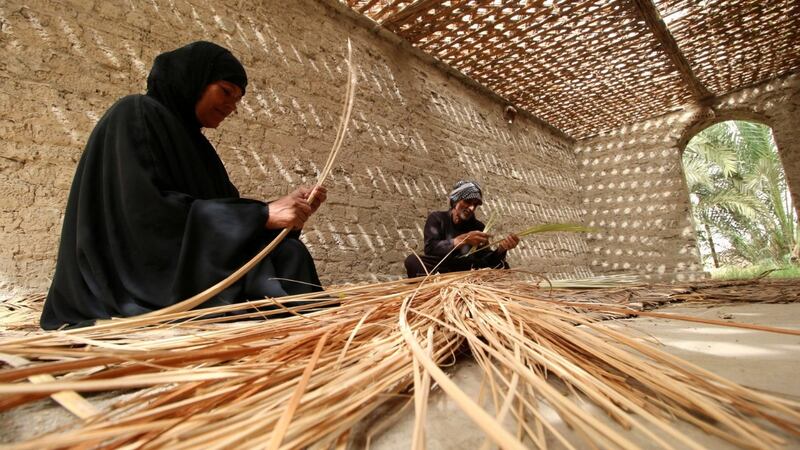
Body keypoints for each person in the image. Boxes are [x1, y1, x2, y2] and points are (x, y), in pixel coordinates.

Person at [41, 41, 326, 329]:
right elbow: (144, 214)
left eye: (238, 100)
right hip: (136, 276)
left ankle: (307, 345)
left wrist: (288, 215)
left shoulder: (199, 147)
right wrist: (262, 215)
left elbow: (227, 221)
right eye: (226, 92)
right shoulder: (136, 113)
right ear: (193, 79)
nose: (232, 106)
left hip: (192, 267)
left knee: (288, 257)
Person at [404, 180, 519, 277]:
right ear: (455, 200)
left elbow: (486, 260)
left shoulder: (478, 227)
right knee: (413, 261)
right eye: (468, 201)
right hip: (444, 269)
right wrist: (461, 240)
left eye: (475, 205)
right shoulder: (437, 218)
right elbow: (431, 249)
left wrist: (502, 249)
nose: (472, 208)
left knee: (503, 267)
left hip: (468, 271)